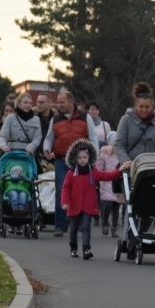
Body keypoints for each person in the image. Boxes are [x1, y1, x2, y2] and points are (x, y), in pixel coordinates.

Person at [114, 81, 155, 256]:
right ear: (136, 106)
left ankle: (139, 234)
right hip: (130, 168)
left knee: (149, 205)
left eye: (147, 107)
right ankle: (130, 236)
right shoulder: (126, 120)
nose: (144, 110)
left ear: (152, 106)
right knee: (133, 205)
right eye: (141, 107)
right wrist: (126, 161)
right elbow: (119, 144)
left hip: (152, 169)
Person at [61, 139, 131, 259]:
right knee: (74, 228)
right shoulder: (71, 173)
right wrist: (64, 202)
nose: (82, 160)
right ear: (75, 159)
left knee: (86, 227)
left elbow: (106, 175)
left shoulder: (93, 171)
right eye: (80, 158)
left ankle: (86, 249)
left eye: (84, 157)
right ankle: (73, 247)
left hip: (88, 205)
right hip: (75, 206)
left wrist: (118, 170)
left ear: (89, 158)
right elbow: (65, 189)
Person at [42, 90, 98, 237]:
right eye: (58, 102)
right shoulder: (55, 119)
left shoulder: (85, 118)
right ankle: (59, 225)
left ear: (71, 101)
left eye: (62, 102)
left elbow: (93, 138)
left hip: (81, 162)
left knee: (81, 192)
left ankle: (79, 222)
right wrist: (47, 148)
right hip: (61, 160)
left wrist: (93, 157)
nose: (59, 105)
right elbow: (49, 138)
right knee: (61, 191)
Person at [96, 139, 124, 238]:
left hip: (118, 181)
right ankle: (105, 222)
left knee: (116, 206)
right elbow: (99, 168)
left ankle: (114, 227)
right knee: (107, 203)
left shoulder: (123, 154)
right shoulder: (104, 154)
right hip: (107, 181)